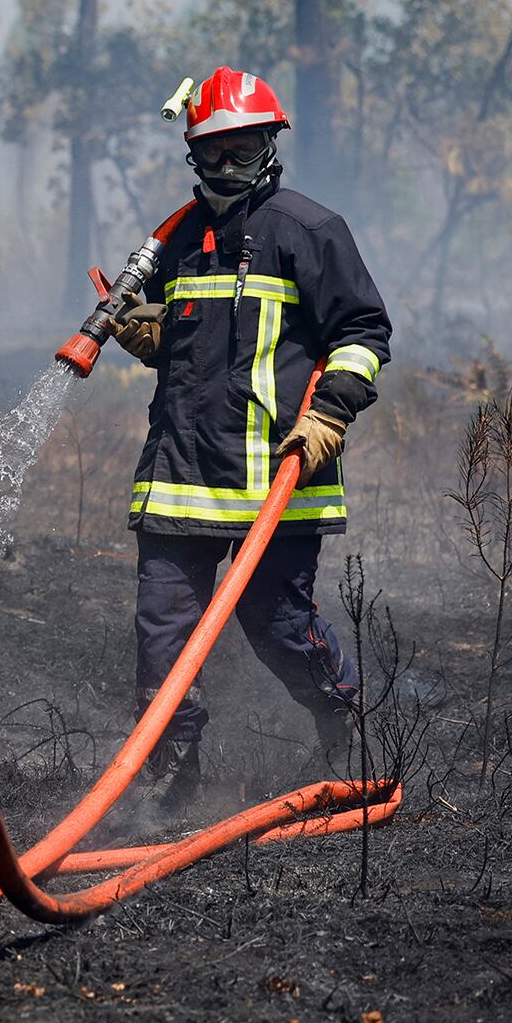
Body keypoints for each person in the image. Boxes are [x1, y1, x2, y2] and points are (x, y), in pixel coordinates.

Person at [112, 66, 391, 809]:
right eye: (215, 153)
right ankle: (173, 772)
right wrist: (156, 339)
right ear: (193, 155)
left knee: (278, 625)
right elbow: (190, 346)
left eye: (245, 149)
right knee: (163, 631)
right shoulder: (178, 242)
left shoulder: (308, 231)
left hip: (280, 474)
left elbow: (363, 332)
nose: (230, 166)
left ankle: (340, 722)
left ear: (271, 144)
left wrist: (330, 412)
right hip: (182, 473)